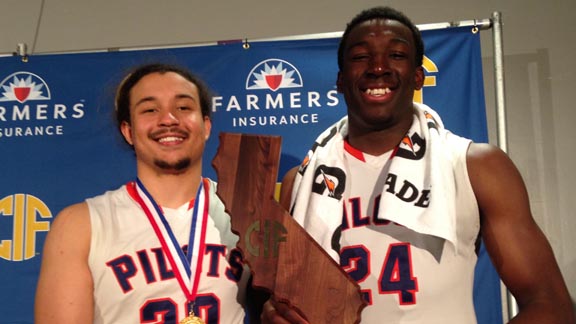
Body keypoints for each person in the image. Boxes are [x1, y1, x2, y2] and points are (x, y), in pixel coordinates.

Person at [262, 6, 574, 324]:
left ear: (418, 76)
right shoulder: (299, 182)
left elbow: (550, 306)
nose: (378, 67)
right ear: (341, 81)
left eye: (396, 55)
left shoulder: (474, 165)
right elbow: (278, 298)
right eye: (360, 57)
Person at [34, 63, 251, 324]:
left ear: (205, 126)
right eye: (150, 109)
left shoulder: (246, 212)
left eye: (183, 107)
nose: (169, 119)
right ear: (128, 132)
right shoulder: (83, 224)